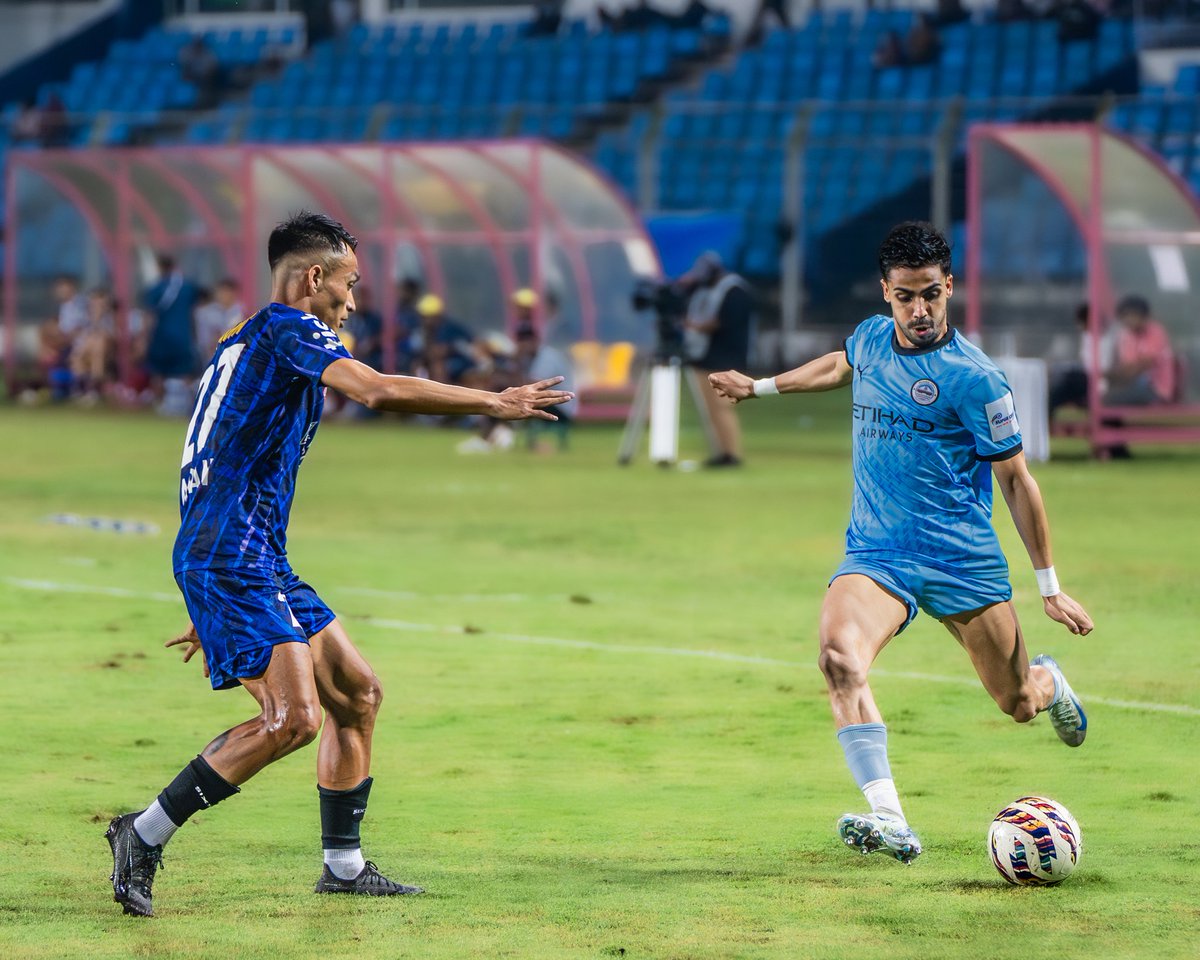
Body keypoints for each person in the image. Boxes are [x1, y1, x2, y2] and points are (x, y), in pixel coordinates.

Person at [105, 211, 572, 917]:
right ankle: (141, 834)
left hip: (248, 556)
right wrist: (493, 400)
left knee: (357, 694)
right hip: (232, 557)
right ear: (314, 276)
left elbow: (206, 458)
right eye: (349, 285)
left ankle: (344, 867)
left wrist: (208, 593)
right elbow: (375, 389)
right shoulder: (289, 328)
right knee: (293, 719)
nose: (352, 303)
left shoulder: (243, 340)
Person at [708, 221, 1093, 864]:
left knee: (1017, 702)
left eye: (931, 295)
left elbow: (1016, 481)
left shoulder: (977, 379)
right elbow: (843, 363)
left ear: (950, 287)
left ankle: (1048, 682)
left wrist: (1049, 587)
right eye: (906, 296)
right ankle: (890, 818)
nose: (920, 311)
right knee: (839, 659)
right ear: (886, 292)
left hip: (961, 560)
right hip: (878, 555)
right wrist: (760, 386)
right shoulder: (870, 336)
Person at [682, 252, 754, 467]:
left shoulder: (734, 291)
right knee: (711, 409)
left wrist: (693, 325)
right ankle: (721, 451)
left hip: (725, 358)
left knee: (721, 406)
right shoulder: (714, 290)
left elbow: (723, 322)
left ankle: (731, 454)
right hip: (708, 356)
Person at [143, 253, 201, 409]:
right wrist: (195, 336)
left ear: (159, 267)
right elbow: (193, 313)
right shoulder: (187, 287)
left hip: (161, 336)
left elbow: (149, 315)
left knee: (158, 372)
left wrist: (145, 338)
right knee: (186, 372)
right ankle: (190, 405)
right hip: (183, 336)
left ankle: (159, 404)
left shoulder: (155, 289)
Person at [1103, 294, 1176, 406]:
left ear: (1144, 316)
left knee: (1108, 400)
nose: (1128, 320)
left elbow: (1144, 365)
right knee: (1102, 396)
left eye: (1132, 315)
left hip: (1156, 390)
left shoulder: (1155, 331)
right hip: (1135, 385)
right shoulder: (1126, 336)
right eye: (1124, 316)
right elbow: (1128, 367)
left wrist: (1116, 374)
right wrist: (1108, 375)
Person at [404, 293, 478, 386]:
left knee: (439, 367)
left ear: (437, 316)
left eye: (428, 317)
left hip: (458, 362)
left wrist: (448, 349)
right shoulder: (420, 332)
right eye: (423, 317)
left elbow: (468, 348)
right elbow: (416, 351)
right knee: (417, 365)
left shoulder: (451, 328)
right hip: (430, 363)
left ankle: (442, 391)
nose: (426, 321)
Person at [194, 278, 245, 363]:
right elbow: (202, 340)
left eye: (228, 292)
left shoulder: (242, 313)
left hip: (235, 359)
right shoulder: (206, 313)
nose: (225, 295)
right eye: (222, 292)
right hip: (211, 358)